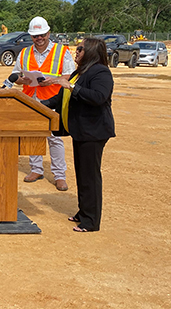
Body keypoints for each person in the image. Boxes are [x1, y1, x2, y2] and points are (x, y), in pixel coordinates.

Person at [41, 38, 115, 232]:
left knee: (90, 176)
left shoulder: (101, 72)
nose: (76, 51)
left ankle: (91, 221)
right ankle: (84, 212)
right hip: (81, 131)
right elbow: (60, 98)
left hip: (94, 131)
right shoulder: (80, 72)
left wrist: (71, 86)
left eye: (80, 49)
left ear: (90, 52)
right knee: (83, 174)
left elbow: (99, 97)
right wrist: (38, 104)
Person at [12, 16, 75, 191]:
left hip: (53, 99)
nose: (39, 38)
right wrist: (22, 80)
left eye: (41, 34)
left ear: (48, 33)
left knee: (55, 139)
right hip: (31, 98)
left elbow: (68, 75)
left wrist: (53, 80)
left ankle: (60, 175)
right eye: (35, 36)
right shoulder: (24, 53)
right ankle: (36, 169)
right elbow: (15, 76)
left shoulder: (62, 51)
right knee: (33, 135)